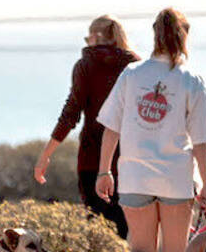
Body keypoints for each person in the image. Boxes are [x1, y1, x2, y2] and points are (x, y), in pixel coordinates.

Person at [95, 7, 206, 252]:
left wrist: (104, 170)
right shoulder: (192, 81)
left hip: (133, 177)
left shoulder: (131, 74)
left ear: (154, 35)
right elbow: (201, 141)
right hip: (175, 180)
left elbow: (111, 127)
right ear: (184, 36)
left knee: (141, 249)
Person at [35, 15, 139, 238]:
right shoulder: (136, 66)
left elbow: (70, 114)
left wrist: (46, 155)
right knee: (126, 230)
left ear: (95, 37)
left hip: (92, 159)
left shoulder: (86, 65)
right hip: (131, 159)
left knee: (98, 231)